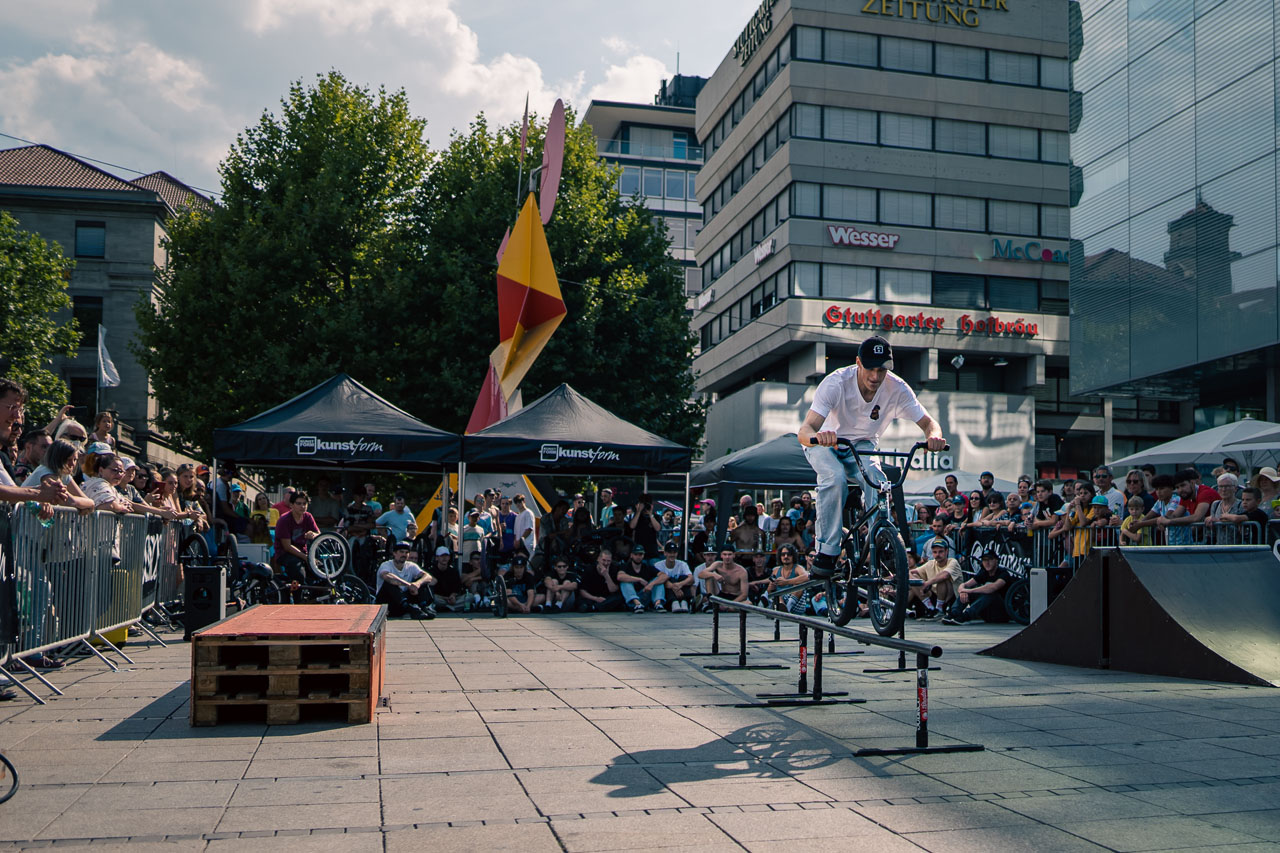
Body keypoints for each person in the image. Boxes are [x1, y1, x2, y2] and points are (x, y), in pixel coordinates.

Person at [798, 336, 946, 579]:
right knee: (834, 478)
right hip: (827, 442)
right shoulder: (836, 383)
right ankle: (827, 551)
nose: (875, 377)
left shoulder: (897, 388)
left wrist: (935, 437)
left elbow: (930, 423)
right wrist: (819, 437)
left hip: (864, 444)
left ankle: (880, 539)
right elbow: (804, 431)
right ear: (858, 362)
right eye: (870, 369)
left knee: (877, 479)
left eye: (882, 370)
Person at [942, 550, 1011, 625]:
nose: (987, 563)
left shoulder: (1003, 573)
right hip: (987, 614)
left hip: (1002, 613)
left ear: (996, 560)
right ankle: (954, 614)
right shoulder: (984, 572)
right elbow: (964, 585)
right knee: (967, 591)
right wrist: (963, 591)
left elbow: (993, 588)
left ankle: (965, 616)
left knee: (991, 594)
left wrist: (968, 591)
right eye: (984, 560)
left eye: (990, 559)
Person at [375, 542, 435, 619]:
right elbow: (387, 577)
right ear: (394, 553)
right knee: (390, 583)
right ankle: (411, 609)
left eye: (406, 552)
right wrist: (408, 585)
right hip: (387, 603)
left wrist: (417, 584)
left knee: (422, 580)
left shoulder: (411, 566)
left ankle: (424, 607)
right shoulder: (386, 565)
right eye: (401, 552)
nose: (404, 554)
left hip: (403, 602)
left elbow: (428, 577)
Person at [274, 490, 320, 587]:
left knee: (321, 571)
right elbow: (287, 546)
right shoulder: (284, 520)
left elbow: (318, 534)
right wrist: (306, 558)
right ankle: (298, 600)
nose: (302, 506)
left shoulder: (308, 516)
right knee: (299, 575)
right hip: (285, 554)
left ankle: (314, 599)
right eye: (298, 503)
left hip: (303, 553)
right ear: (291, 505)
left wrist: (313, 535)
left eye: (304, 503)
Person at [908, 538, 962, 619]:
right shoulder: (931, 563)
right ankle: (931, 608)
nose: (937, 554)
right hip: (935, 596)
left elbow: (945, 575)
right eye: (935, 552)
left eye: (940, 552)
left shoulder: (953, 562)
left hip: (953, 597)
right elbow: (911, 572)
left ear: (946, 551)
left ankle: (940, 610)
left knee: (942, 579)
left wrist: (926, 583)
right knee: (913, 579)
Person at [613, 544, 668, 613]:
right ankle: (637, 604)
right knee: (625, 581)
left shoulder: (647, 567)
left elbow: (664, 576)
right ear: (631, 555)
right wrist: (639, 579)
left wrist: (651, 584)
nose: (638, 556)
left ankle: (658, 604)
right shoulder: (625, 566)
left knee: (658, 580)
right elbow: (620, 577)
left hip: (645, 595)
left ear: (643, 555)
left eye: (640, 554)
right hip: (631, 599)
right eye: (636, 554)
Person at [696, 546, 748, 610]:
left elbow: (744, 595)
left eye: (729, 554)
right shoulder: (718, 564)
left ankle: (725, 608)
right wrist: (714, 575)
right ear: (721, 555)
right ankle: (711, 603)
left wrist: (729, 605)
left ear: (734, 555)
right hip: (722, 595)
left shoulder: (741, 571)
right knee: (709, 576)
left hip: (735, 597)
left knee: (748, 603)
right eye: (725, 554)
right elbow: (701, 574)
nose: (727, 557)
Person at [766, 543, 810, 615]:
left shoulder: (798, 568)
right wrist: (771, 587)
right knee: (774, 591)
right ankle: (782, 608)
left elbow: (807, 576)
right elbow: (769, 591)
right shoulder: (776, 570)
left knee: (800, 584)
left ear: (793, 556)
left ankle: (788, 609)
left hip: (795, 603)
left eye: (789, 554)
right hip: (780, 602)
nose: (786, 556)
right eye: (783, 554)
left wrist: (787, 582)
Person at [655, 541, 694, 612]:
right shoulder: (658, 565)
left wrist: (680, 584)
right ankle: (674, 602)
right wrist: (674, 587)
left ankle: (684, 602)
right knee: (668, 579)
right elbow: (659, 581)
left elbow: (691, 578)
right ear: (665, 553)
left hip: (681, 591)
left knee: (684, 578)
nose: (672, 555)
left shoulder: (682, 564)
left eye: (674, 552)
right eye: (670, 552)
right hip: (667, 596)